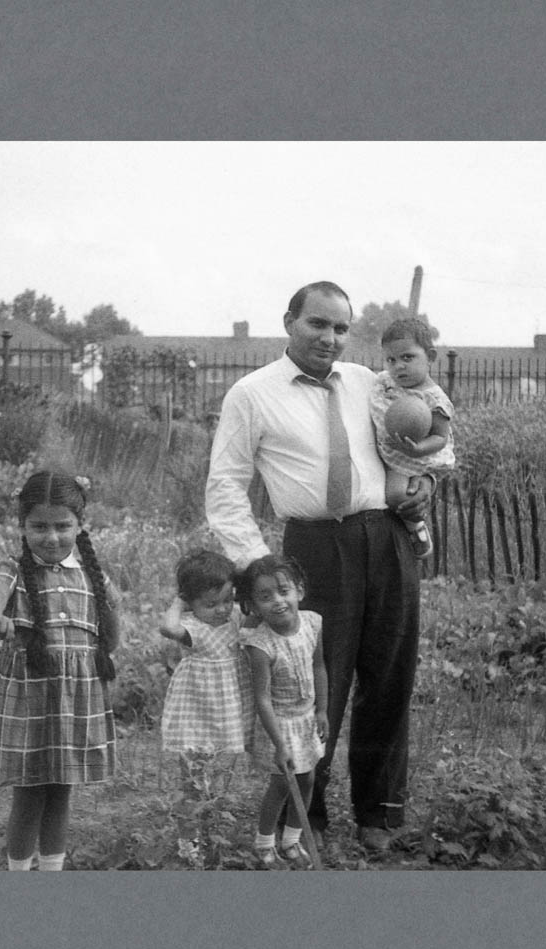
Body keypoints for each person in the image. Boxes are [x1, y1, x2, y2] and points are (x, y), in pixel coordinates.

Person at [205, 280, 429, 852]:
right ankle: (311, 822)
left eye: (340, 327)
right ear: (289, 322)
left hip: (387, 539)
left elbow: (408, 443)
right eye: (317, 324)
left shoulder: (369, 384)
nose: (330, 337)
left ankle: (379, 814)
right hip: (313, 553)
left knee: (389, 679)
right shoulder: (251, 394)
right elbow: (226, 487)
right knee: (309, 689)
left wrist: (419, 485)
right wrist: (259, 568)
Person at [0, 470, 121, 871]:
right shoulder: (12, 570)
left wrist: (110, 631)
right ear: (22, 525)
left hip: (76, 696)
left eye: (62, 526)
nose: (51, 537)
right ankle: (19, 873)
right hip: (30, 695)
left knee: (62, 789)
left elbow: (111, 632)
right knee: (29, 791)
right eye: (39, 527)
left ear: (80, 525)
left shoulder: (92, 575)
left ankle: (51, 873)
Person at [237, 553, 328, 868]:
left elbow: (319, 667)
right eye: (265, 596)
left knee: (307, 779)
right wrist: (279, 743)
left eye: (283, 591)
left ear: (299, 591)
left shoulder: (313, 622)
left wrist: (322, 711)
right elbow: (262, 698)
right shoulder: (261, 645)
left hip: (306, 718)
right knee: (280, 785)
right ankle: (264, 845)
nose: (277, 601)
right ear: (253, 605)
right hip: (280, 725)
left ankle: (291, 841)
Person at [370, 317, 456, 558]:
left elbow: (440, 437)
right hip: (382, 449)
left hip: (409, 457)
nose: (398, 366)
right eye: (391, 360)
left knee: (398, 495)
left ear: (430, 356)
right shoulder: (385, 383)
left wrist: (417, 450)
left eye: (407, 358)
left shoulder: (434, 399)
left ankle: (416, 528)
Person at [158, 549, 253, 763]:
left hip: (229, 699)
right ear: (191, 602)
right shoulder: (194, 627)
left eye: (227, 600)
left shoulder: (236, 617)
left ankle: (218, 793)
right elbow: (168, 628)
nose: (221, 609)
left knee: (228, 749)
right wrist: (180, 602)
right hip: (199, 699)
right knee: (194, 746)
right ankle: (193, 791)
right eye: (211, 604)